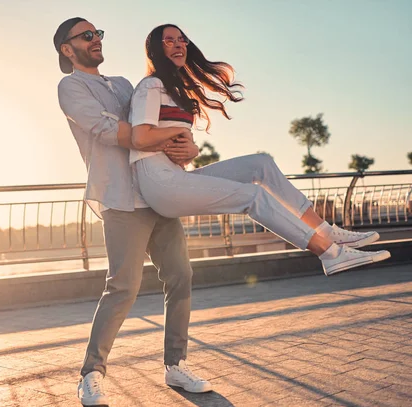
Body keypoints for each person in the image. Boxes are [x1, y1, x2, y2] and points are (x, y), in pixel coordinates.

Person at [129, 24, 390, 277]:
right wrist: (179, 134)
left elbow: (176, 147)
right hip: (158, 183)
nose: (178, 45)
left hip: (175, 177)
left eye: (182, 39)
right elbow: (140, 138)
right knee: (253, 196)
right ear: (155, 49)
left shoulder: (175, 90)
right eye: (169, 40)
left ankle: (323, 229)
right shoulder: (150, 86)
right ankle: (330, 254)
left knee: (261, 163)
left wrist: (192, 148)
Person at [54, 18, 213, 407]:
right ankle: (91, 374)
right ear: (67, 49)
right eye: (87, 36)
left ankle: (176, 365)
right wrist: (158, 136)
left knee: (181, 276)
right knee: (123, 287)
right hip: (121, 198)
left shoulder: (126, 84)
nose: (96, 40)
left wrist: (189, 146)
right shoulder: (71, 87)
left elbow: (159, 121)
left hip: (157, 191)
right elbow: (111, 130)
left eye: (98, 34)